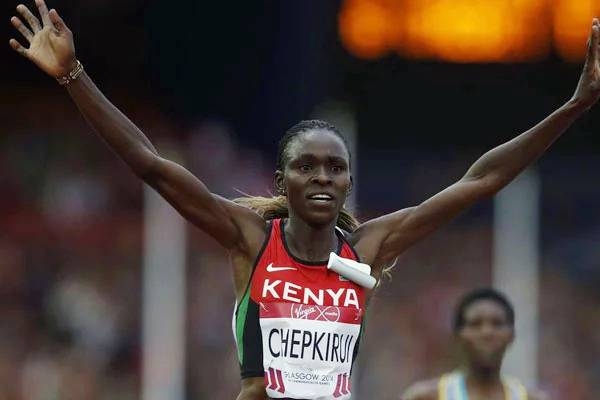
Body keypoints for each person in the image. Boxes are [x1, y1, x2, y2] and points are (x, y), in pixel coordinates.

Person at [9, 1, 600, 398]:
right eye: (307, 166)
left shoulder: (367, 248)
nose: (322, 177)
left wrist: (573, 106)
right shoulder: (249, 238)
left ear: (348, 183)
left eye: (335, 168)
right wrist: (73, 76)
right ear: (282, 178)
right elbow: (151, 164)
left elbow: (482, 181)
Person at [401, 288, 548, 400]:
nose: (487, 332)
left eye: (497, 324)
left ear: (511, 335)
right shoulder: (426, 396)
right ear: (458, 335)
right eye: (475, 324)